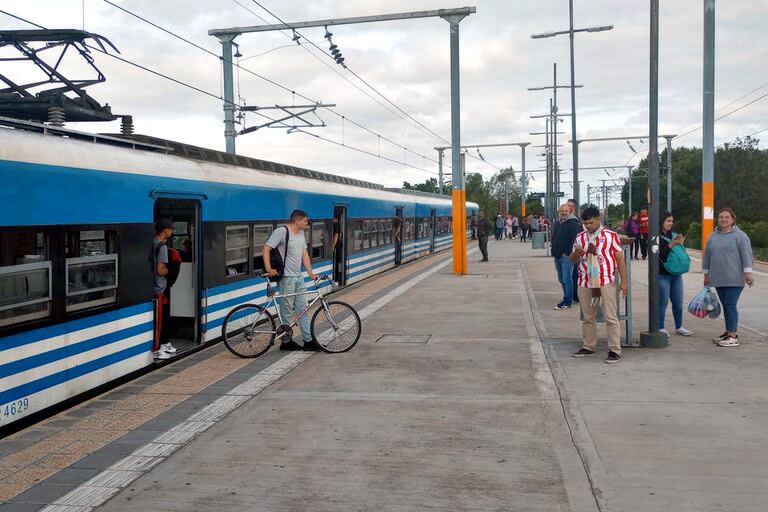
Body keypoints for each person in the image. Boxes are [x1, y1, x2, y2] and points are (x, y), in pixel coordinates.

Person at [570, 207, 628, 364]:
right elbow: (573, 260)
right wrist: (577, 253)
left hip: (605, 281)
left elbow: (620, 258)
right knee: (588, 317)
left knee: (610, 316)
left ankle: (614, 349)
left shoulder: (610, 236)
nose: (588, 226)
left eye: (590, 222)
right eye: (585, 223)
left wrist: (624, 282)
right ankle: (589, 346)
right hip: (585, 282)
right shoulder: (580, 237)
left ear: (598, 219)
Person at [263, 209, 319, 351]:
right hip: (286, 278)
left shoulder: (301, 234)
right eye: (305, 221)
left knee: (303, 309)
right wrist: (269, 269)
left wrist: (311, 274)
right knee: (287, 311)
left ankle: (308, 341)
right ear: (297, 220)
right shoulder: (281, 232)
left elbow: (304, 255)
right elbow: (266, 249)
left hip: (298, 277)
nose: (307, 223)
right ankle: (286, 341)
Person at [703, 207, 755, 347]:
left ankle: (733, 336)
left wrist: (748, 273)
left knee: (731, 305)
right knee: (726, 305)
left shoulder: (741, 236)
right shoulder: (713, 236)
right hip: (718, 278)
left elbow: (747, 255)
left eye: (727, 217)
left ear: (732, 219)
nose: (724, 219)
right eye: (721, 217)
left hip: (734, 279)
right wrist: (706, 274)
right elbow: (707, 256)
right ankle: (728, 332)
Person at [658, 212, 693, 337]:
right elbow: (657, 255)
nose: (670, 223)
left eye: (672, 221)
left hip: (676, 274)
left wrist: (679, 244)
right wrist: (671, 245)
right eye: (668, 221)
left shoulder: (673, 235)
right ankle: (660, 327)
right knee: (662, 302)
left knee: (678, 301)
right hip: (662, 274)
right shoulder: (655, 237)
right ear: (661, 221)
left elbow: (679, 253)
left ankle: (679, 326)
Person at [152, 218, 177, 360]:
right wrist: (171, 270)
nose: (172, 231)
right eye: (171, 229)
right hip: (159, 288)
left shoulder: (152, 241)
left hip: (151, 286)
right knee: (160, 320)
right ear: (165, 230)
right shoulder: (162, 247)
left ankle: (163, 344)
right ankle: (157, 349)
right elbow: (160, 270)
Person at [551, 204, 581, 310]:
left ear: (570, 211)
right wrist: (553, 250)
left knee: (567, 278)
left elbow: (576, 239)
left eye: (566, 211)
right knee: (561, 279)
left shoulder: (573, 223)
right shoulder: (557, 223)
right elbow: (554, 237)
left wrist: (568, 252)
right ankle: (566, 297)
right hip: (557, 255)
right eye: (562, 210)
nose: (564, 212)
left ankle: (568, 301)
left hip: (566, 257)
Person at [566, 199, 580, 303]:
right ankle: (572, 295)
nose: (568, 207)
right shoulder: (564, 218)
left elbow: (577, 236)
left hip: (574, 251)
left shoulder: (576, 219)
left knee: (575, 274)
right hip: (567, 251)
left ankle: (575, 295)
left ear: (574, 208)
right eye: (567, 205)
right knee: (569, 275)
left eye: (570, 206)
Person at [332, 217, 343, 283]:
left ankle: (337, 278)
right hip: (338, 245)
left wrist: (333, 246)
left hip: (337, 245)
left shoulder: (336, 224)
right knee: (338, 261)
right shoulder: (338, 224)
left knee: (337, 261)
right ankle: (338, 277)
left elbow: (336, 235)